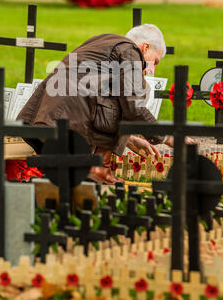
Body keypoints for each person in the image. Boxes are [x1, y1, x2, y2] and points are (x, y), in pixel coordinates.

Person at [17, 24, 183, 184]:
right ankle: (100, 167)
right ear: (145, 47)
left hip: (47, 120)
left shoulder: (102, 41)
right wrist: (166, 136)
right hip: (71, 125)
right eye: (155, 61)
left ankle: (84, 166)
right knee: (141, 89)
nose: (152, 70)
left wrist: (130, 139)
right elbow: (133, 108)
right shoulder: (130, 50)